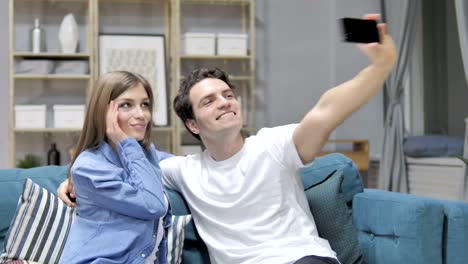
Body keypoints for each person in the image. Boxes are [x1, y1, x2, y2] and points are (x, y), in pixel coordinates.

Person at [59, 14, 396, 264]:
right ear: (192, 124)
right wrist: (71, 178)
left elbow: (327, 110)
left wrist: (379, 69)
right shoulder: (182, 170)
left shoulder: (274, 146)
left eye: (228, 94)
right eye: (209, 100)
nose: (224, 101)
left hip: (301, 259)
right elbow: (125, 168)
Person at [60, 71, 173, 264]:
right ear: (103, 112)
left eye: (144, 104)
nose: (141, 115)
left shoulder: (144, 153)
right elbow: (153, 205)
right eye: (126, 105)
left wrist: (67, 179)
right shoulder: (88, 168)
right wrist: (124, 140)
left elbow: (167, 162)